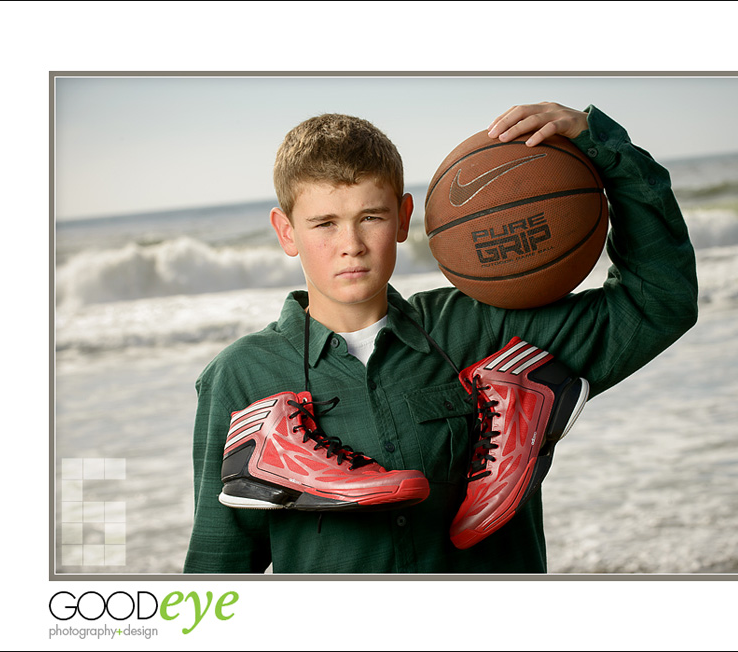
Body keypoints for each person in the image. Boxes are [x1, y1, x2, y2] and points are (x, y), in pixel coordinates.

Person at [183, 102, 698, 573]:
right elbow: (219, 565)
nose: (351, 245)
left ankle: (521, 398)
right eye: (324, 223)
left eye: (371, 217)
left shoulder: (485, 328)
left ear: (405, 218)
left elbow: (658, 301)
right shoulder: (243, 376)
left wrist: (599, 144)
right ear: (286, 231)